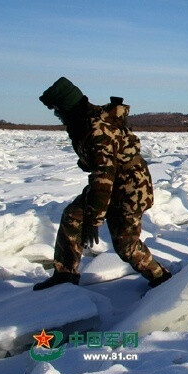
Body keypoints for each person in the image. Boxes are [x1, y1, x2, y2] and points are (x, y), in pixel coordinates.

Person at [33, 77, 171, 290]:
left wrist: (94, 220)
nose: (57, 115)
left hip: (130, 188)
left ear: (68, 106)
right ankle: (65, 274)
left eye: (58, 109)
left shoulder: (97, 129)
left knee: (126, 246)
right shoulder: (84, 122)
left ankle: (161, 279)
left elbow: (103, 178)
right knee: (72, 215)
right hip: (111, 183)